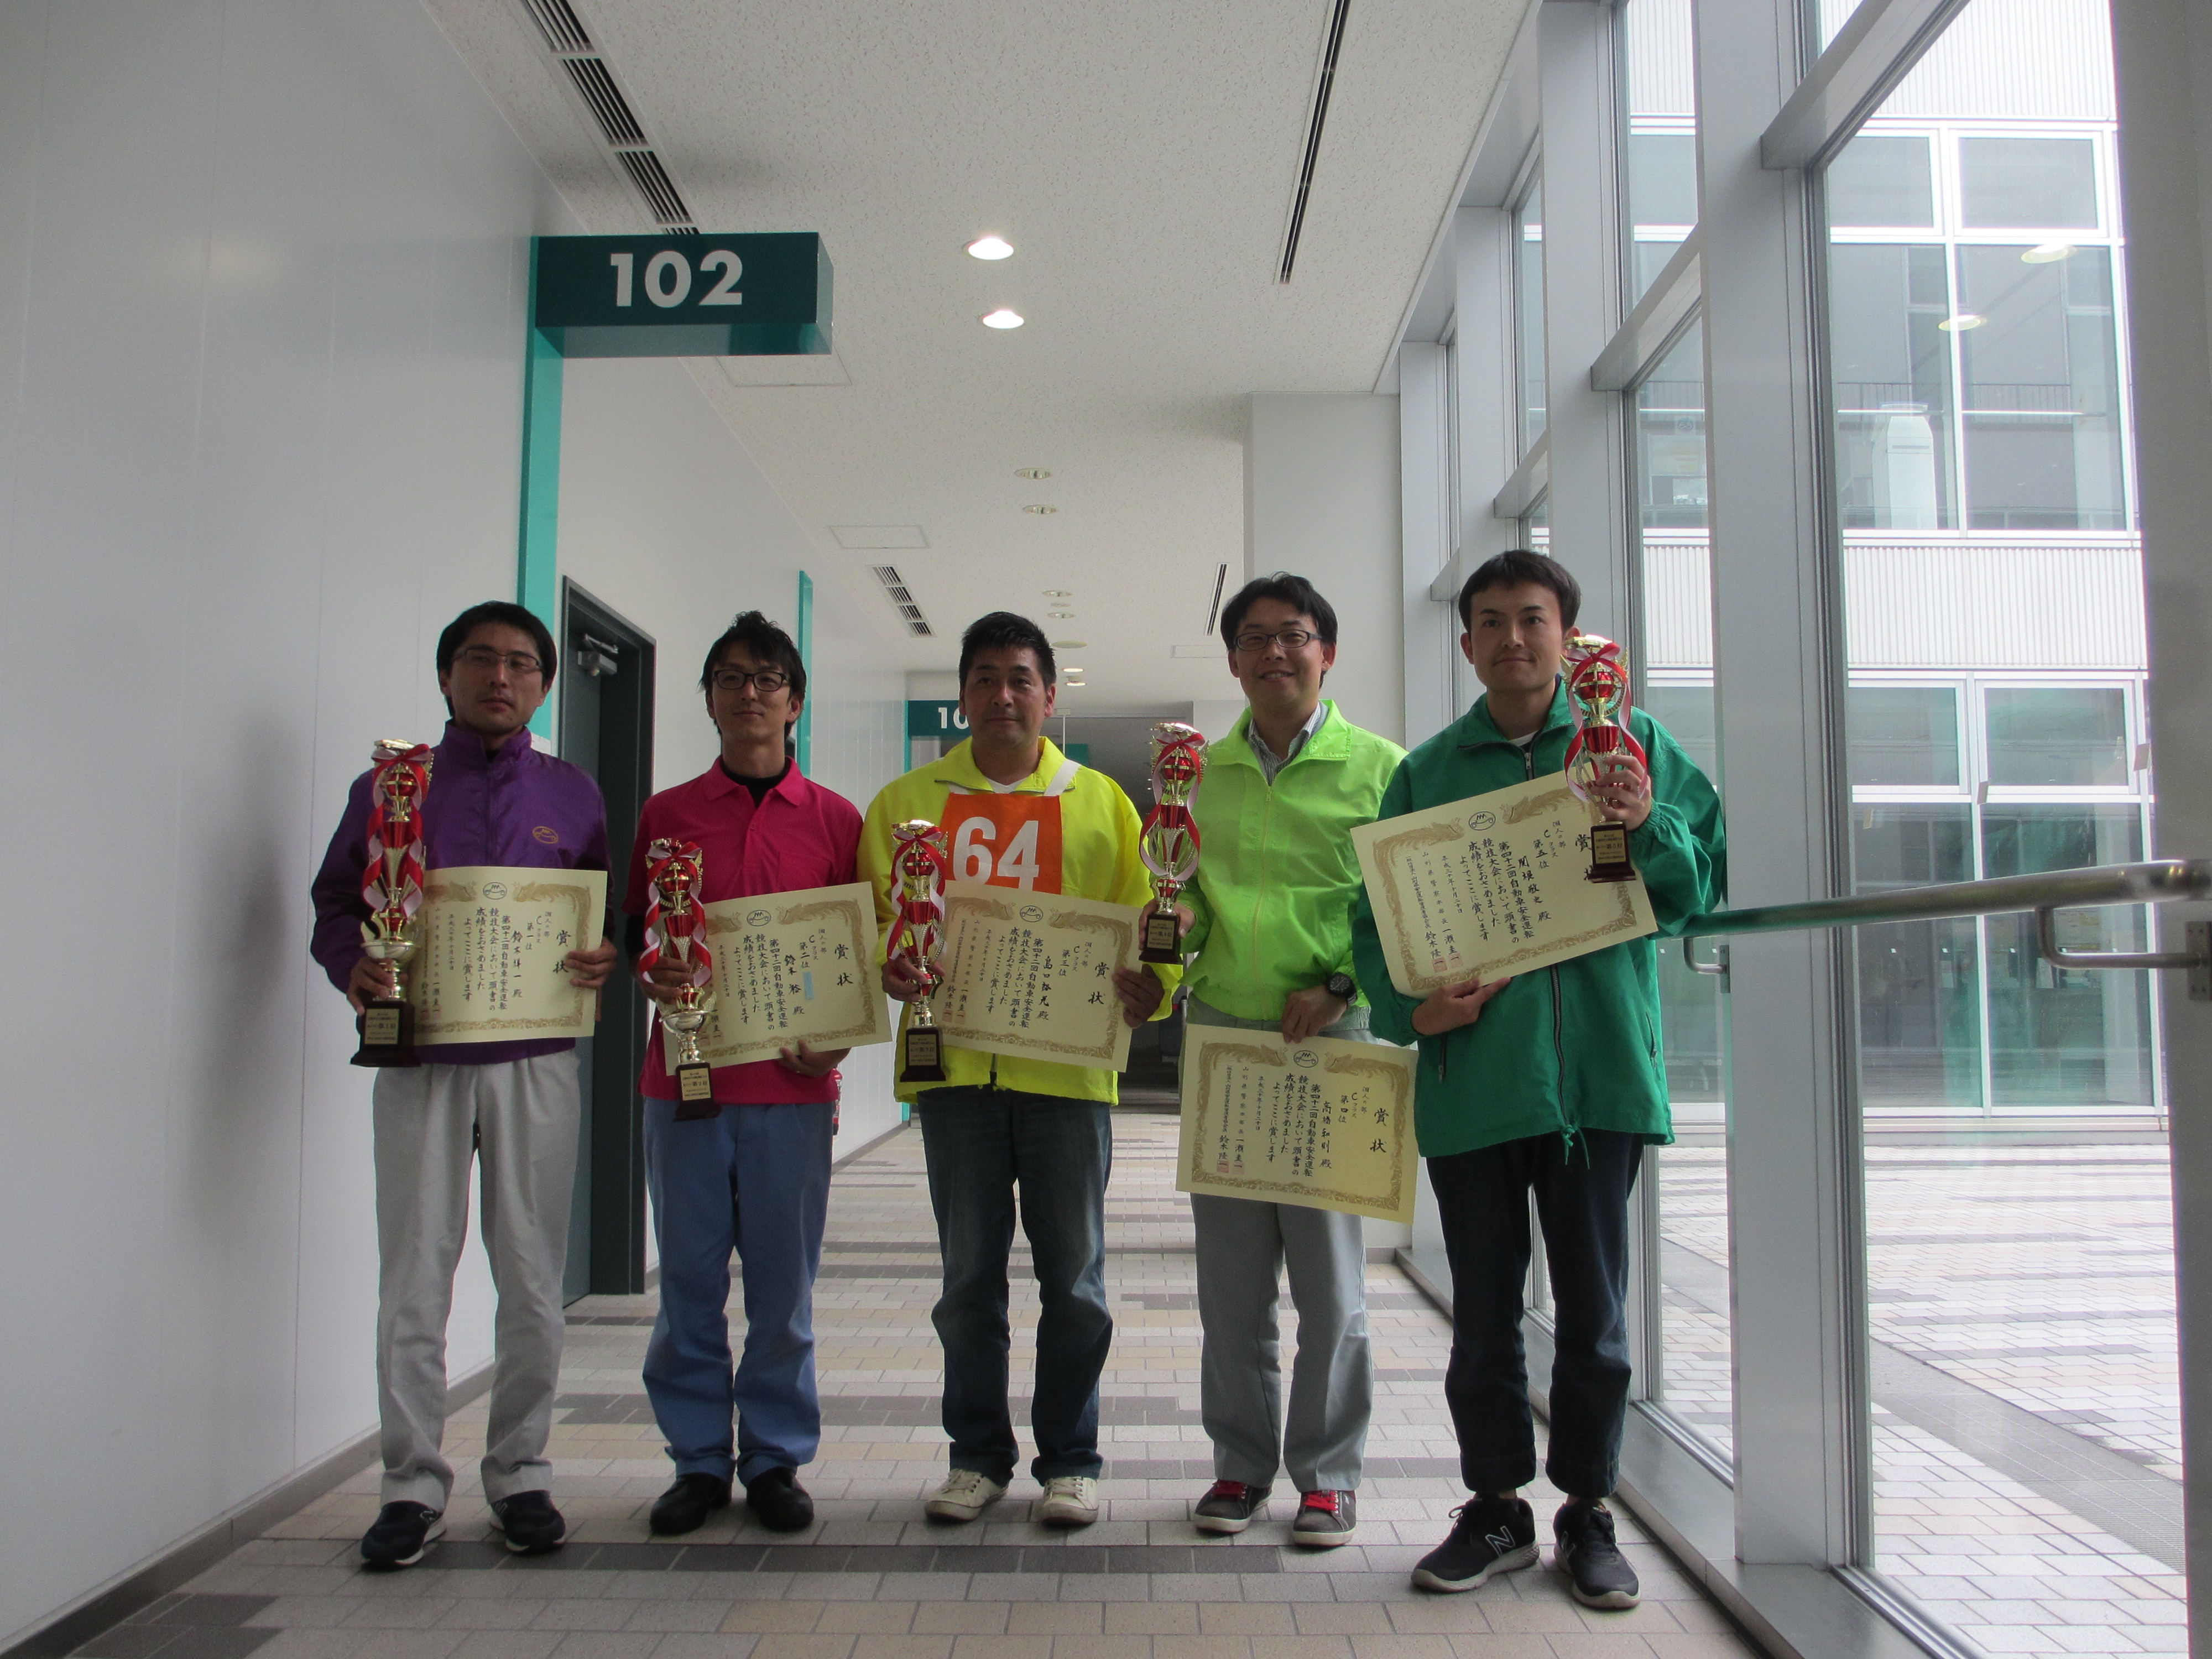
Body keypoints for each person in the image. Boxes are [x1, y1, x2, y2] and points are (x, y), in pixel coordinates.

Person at [1350, 550, 1724, 1610]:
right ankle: (1496, 1507)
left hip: (1601, 1080)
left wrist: (1645, 820)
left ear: (1569, 634)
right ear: (1466, 642)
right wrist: (1413, 1012)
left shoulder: (1632, 744)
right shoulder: (1428, 772)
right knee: (1483, 1317)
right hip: (1477, 1083)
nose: (1512, 638)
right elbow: (1375, 921)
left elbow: (1700, 883)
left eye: (1532, 618)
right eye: (1490, 621)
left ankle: (1588, 1510)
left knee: (1596, 1317)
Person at [310, 601, 619, 1568]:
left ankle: (521, 1472)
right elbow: (336, 903)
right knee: (413, 1278)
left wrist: (605, 953)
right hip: (420, 1061)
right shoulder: (389, 788)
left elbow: (602, 914)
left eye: (522, 663)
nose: (500, 677)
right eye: (480, 660)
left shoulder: (574, 793)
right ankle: (410, 1485)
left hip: (536, 1062)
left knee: (532, 1278)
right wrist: (352, 966)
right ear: (446, 675)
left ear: (544, 685)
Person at [858, 612, 1178, 1529]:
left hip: (1068, 1081)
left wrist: (1154, 986)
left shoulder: (1102, 803)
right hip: (955, 1078)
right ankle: (976, 1458)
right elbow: (875, 920)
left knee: (1075, 1282)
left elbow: (1147, 918)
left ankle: (1072, 1460)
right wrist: (887, 962)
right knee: (968, 1283)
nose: (1003, 695)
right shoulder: (905, 804)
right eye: (986, 678)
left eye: (1021, 678)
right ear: (963, 696)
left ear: (1048, 695)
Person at [1167, 573, 1404, 1547]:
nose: (1276, 652)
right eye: (1256, 638)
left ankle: (1328, 1477)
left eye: (1294, 635)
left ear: (1327, 653)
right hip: (1226, 1036)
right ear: (1232, 661)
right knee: (1230, 1284)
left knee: (1331, 1283)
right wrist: (1162, 944)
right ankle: (1239, 1466)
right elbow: (1182, 898)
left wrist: (1342, 984)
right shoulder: (1197, 775)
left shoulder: (1382, 768)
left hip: (1332, 1043)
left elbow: (1399, 900)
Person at [627, 612, 863, 1538]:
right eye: (730, 678)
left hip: (792, 1093)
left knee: (782, 1291)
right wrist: (653, 973)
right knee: (687, 1283)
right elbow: (638, 934)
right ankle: (695, 1461)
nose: (749, 693)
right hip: (682, 1087)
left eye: (767, 679)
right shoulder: (666, 815)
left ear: (795, 701)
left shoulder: (836, 819)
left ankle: (772, 1458)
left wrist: (839, 1041)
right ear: (709, 699)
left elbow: (855, 952)